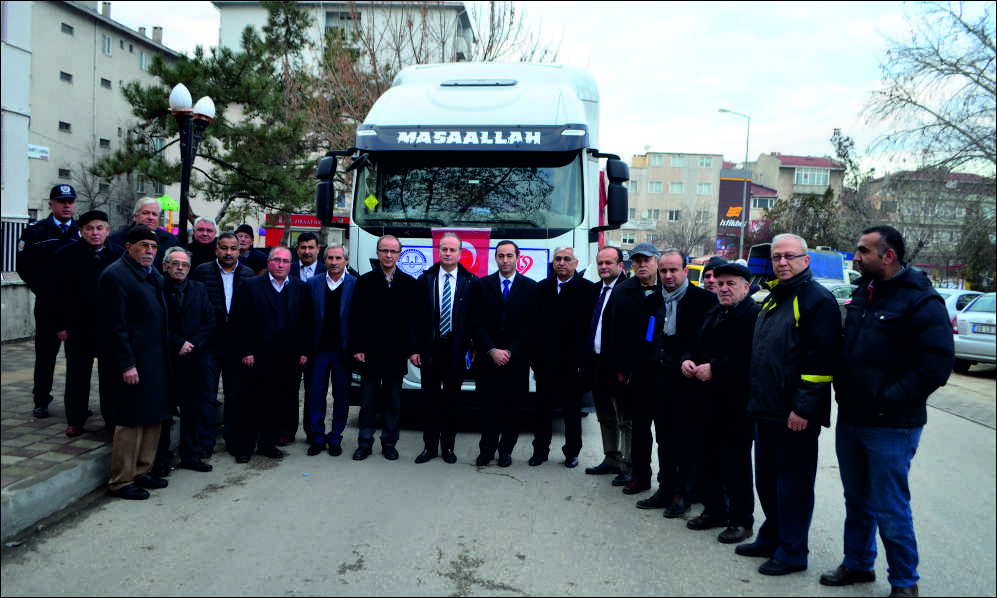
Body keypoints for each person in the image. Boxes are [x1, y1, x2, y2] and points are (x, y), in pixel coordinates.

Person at [820, 226, 953, 598]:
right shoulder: (865, 293)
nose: (856, 257)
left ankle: (904, 582)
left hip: (892, 426)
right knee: (856, 499)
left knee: (891, 506)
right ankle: (858, 563)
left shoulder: (921, 301)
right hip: (853, 419)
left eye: (863, 251)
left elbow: (936, 365)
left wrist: (889, 399)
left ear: (888, 255)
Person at [735, 233, 841, 577]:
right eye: (777, 256)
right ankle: (773, 537)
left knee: (792, 487)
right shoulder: (773, 298)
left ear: (805, 260)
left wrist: (804, 409)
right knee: (766, 481)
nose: (782, 262)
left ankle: (793, 551)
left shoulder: (816, 300)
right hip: (765, 409)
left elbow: (821, 361)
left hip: (793, 415)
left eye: (790, 256)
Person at [630, 249, 716, 516]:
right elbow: (646, 338)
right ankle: (665, 488)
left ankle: (684, 493)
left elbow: (707, 342)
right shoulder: (653, 300)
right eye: (664, 270)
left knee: (686, 441)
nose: (668, 275)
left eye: (673, 270)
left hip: (688, 384)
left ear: (685, 270)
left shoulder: (703, 301)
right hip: (656, 381)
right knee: (664, 439)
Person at [681, 262, 760, 544]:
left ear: (746, 287)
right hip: (704, 400)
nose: (724, 288)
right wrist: (686, 360)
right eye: (720, 283)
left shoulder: (753, 316)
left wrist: (715, 368)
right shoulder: (714, 311)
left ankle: (741, 521)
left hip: (735, 404)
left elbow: (751, 359)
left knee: (735, 464)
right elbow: (693, 344)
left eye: (731, 284)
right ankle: (715, 511)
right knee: (706, 459)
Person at [96, 225, 173, 500]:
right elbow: (113, 327)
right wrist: (126, 364)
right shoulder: (115, 276)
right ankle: (121, 480)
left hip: (155, 359)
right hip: (133, 362)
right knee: (130, 420)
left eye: (153, 247)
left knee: (153, 417)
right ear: (128, 247)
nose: (149, 251)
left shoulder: (151, 274)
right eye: (143, 245)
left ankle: (142, 471)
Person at [232, 246, 313, 463]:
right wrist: (246, 350)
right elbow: (241, 322)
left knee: (278, 403)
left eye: (285, 261)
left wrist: (304, 351)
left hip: (287, 357)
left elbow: (307, 323)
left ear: (290, 264)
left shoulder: (300, 288)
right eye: (276, 260)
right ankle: (245, 447)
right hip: (256, 357)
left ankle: (268, 444)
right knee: (250, 403)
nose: (280, 265)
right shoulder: (251, 286)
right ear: (268, 263)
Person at [52, 209, 123, 436]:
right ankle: (75, 419)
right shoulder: (65, 256)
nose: (95, 233)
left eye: (99, 228)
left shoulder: (120, 256)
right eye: (89, 229)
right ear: (81, 231)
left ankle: (111, 419)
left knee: (110, 376)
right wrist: (60, 325)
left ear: (107, 231)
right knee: (77, 375)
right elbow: (55, 294)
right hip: (78, 326)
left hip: (109, 327)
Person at [469, 240, 538, 468]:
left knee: (513, 408)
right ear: (495, 258)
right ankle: (486, 449)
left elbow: (530, 325)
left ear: (517, 257)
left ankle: (506, 451)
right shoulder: (481, 286)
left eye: (509, 255)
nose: (505, 260)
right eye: (501, 256)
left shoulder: (530, 287)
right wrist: (491, 350)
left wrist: (509, 351)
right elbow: (475, 321)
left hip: (516, 360)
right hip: (488, 360)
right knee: (488, 407)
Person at [410, 232, 478, 464]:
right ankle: (429, 447)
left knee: (452, 402)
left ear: (460, 253)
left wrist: (474, 348)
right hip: (431, 349)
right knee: (429, 401)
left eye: (452, 250)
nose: (447, 253)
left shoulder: (471, 282)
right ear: (438, 252)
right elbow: (415, 318)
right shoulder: (425, 280)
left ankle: (448, 447)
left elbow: (475, 320)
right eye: (444, 249)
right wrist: (414, 348)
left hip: (456, 350)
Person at [349, 235, 417, 461]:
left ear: (399, 254)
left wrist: (412, 349)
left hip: (396, 353)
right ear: (377, 253)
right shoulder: (365, 281)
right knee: (368, 403)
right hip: (370, 352)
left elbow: (412, 321)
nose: (388, 255)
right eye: (384, 251)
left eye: (393, 251)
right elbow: (356, 317)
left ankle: (389, 443)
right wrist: (357, 347)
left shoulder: (409, 284)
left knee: (393, 403)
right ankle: (364, 443)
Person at [190, 232, 257, 458]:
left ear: (240, 251)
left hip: (236, 346)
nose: (229, 253)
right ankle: (206, 441)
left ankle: (232, 439)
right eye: (224, 248)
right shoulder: (201, 272)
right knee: (207, 395)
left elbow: (250, 315)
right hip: (209, 345)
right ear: (216, 249)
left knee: (235, 394)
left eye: (233, 248)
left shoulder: (248, 276)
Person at [17, 184, 80, 419]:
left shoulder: (81, 232)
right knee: (45, 355)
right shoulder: (36, 232)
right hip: (48, 305)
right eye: (62, 201)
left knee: (77, 358)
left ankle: (77, 402)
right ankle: (41, 399)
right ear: (51, 204)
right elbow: (24, 268)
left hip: (75, 307)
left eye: (70, 202)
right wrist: (45, 291)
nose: (67, 206)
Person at [529, 246, 595, 468]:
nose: (562, 263)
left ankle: (572, 453)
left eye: (567, 259)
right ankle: (540, 451)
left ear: (576, 263)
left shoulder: (587, 290)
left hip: (572, 365)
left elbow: (589, 329)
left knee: (571, 413)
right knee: (543, 411)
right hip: (545, 362)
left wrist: (582, 362)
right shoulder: (542, 288)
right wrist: (534, 358)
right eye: (558, 259)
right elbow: (535, 326)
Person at [605, 242, 661, 494]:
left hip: (665, 372)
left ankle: (673, 483)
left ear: (656, 263)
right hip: (635, 373)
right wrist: (620, 368)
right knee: (638, 429)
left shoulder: (668, 288)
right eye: (637, 261)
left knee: (668, 433)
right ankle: (640, 475)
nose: (642, 264)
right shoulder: (622, 292)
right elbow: (613, 333)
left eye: (647, 260)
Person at [161, 247, 217, 473]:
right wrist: (177, 342)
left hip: (195, 359)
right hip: (167, 359)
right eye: (175, 263)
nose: (180, 268)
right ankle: (161, 460)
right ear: (165, 266)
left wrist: (192, 343)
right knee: (165, 412)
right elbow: (154, 322)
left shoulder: (199, 288)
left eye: (184, 264)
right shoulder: (157, 289)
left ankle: (191, 456)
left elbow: (210, 320)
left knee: (193, 411)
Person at [584, 246, 633, 486]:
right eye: (600, 263)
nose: (604, 267)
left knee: (624, 418)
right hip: (595, 362)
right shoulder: (595, 290)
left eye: (609, 263)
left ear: (620, 265)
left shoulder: (629, 291)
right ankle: (611, 458)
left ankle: (628, 465)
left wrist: (625, 366)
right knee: (604, 415)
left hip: (617, 365)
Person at [306, 244, 357, 458]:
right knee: (316, 395)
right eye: (330, 258)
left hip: (343, 352)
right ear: (324, 260)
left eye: (338, 258)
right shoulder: (313, 284)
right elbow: (306, 318)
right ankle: (317, 437)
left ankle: (335, 437)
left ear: (346, 260)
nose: (334, 262)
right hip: (318, 351)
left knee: (341, 396)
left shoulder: (356, 284)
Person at [283, 231, 322, 445]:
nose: (307, 251)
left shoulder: (328, 271)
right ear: (297, 249)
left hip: (317, 342)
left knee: (313, 389)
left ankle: (311, 430)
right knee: (289, 388)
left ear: (318, 248)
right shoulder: (287, 269)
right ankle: (287, 429)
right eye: (303, 247)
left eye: (311, 247)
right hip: (291, 341)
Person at [108, 197, 179, 271]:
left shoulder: (171, 241)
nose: (150, 217)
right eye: (146, 213)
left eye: (154, 214)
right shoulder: (117, 240)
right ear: (135, 216)